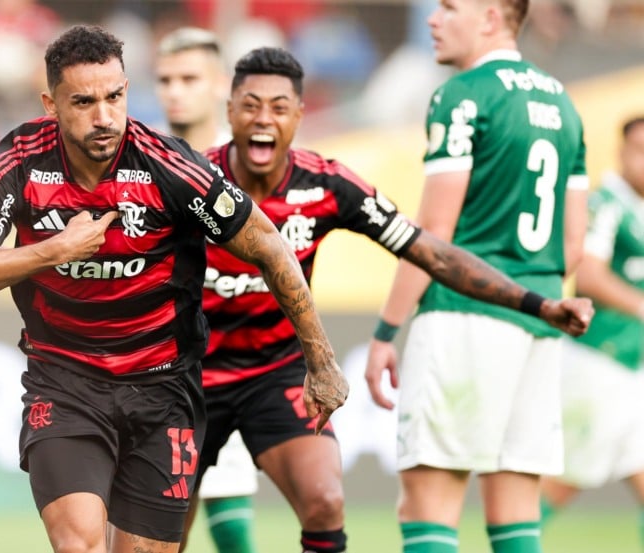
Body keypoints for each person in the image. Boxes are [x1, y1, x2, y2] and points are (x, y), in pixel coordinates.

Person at [0, 24, 349, 553]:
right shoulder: (21, 160)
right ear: (50, 104)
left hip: (164, 390)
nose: (104, 117)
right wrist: (52, 252)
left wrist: (322, 360)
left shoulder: (168, 165)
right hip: (65, 383)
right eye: (83, 101)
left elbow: (269, 246)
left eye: (115, 97)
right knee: (79, 544)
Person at [193, 45, 592, 553]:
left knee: (326, 501)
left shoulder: (328, 183)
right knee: (158, 535)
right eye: (250, 106)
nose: (262, 120)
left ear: (299, 114)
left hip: (277, 373)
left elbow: (432, 252)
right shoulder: (194, 179)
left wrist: (537, 304)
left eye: (278, 107)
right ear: (229, 112)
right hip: (188, 375)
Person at [363, 1, 590, 552]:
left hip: (463, 319)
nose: (433, 19)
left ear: (491, 16)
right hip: (536, 321)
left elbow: (434, 233)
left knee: (428, 506)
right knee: (515, 513)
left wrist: (387, 331)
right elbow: (573, 245)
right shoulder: (563, 103)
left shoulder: (462, 95)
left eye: (448, 6)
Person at [154, 26, 259, 553]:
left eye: (189, 78)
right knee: (151, 528)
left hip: (228, 365)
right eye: (165, 79)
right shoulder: (139, 161)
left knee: (229, 513)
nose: (175, 90)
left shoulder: (246, 165)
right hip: (153, 372)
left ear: (221, 84)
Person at [540, 116, 644, 547]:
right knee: (564, 480)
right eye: (639, 150)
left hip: (631, 369)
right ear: (622, 153)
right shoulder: (607, 205)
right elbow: (589, 278)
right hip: (599, 365)